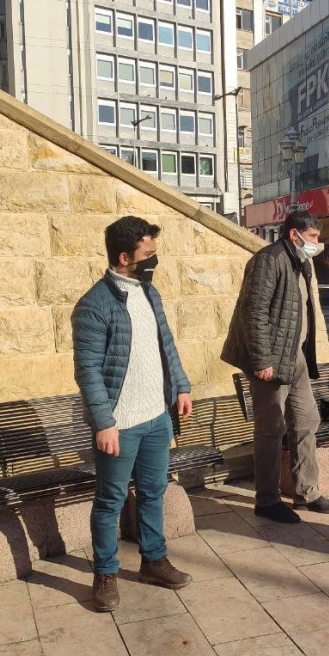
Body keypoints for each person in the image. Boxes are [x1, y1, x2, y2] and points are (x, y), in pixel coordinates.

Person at [73, 216, 193, 612]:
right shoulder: (94, 305)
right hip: (120, 425)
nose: (154, 260)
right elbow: (88, 370)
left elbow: (166, 344)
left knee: (155, 493)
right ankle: (105, 574)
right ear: (125, 257)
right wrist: (104, 422)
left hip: (157, 418)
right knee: (110, 500)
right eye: (148, 254)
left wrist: (182, 386)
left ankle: (153, 561)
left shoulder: (149, 292)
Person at [222, 211, 329, 524]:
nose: (317, 243)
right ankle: (267, 500)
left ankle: (307, 491)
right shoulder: (269, 260)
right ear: (295, 234)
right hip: (271, 359)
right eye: (313, 237)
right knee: (271, 428)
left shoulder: (299, 261)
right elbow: (253, 313)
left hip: (294, 354)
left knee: (306, 420)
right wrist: (262, 360)